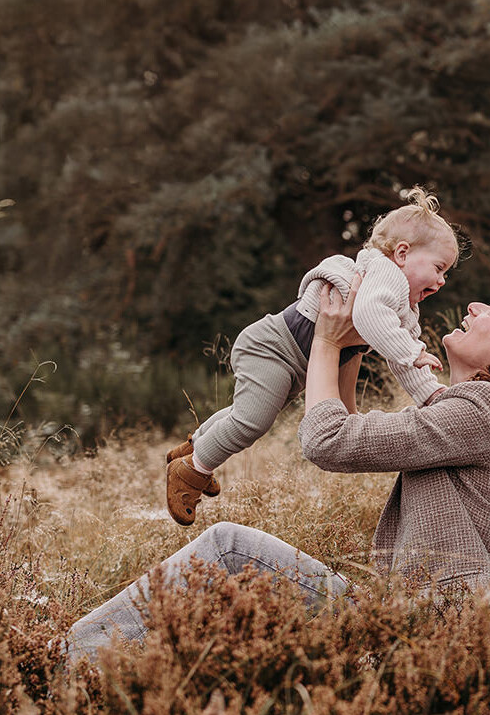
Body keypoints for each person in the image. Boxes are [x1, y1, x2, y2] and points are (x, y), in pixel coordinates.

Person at [69, 276, 490, 661]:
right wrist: (353, 342)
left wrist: (326, 341)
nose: (473, 306)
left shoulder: (483, 409)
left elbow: (327, 439)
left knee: (228, 548)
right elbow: (354, 431)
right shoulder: (470, 408)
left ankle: (58, 665)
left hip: (433, 627)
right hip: (418, 621)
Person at [165, 187, 458, 526]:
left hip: (290, 358)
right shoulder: (385, 275)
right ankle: (191, 472)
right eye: (438, 267)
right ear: (403, 253)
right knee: (252, 421)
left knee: (244, 414)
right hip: (273, 348)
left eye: (446, 272)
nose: (442, 280)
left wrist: (430, 393)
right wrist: (414, 352)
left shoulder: (403, 303)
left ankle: (194, 448)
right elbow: (371, 317)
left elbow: (400, 357)